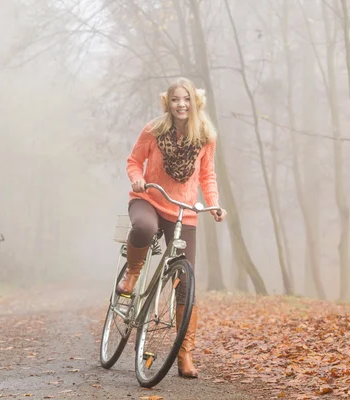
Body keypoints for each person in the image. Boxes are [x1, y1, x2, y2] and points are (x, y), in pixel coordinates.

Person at [117, 77, 227, 379]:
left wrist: (214, 203)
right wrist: (137, 178)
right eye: (176, 99)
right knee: (143, 227)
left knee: (186, 285)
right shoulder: (154, 131)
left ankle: (184, 355)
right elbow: (133, 161)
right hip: (149, 198)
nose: (182, 104)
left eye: (187, 99)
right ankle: (132, 272)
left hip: (184, 211)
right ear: (169, 102)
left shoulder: (205, 136)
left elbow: (207, 176)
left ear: (195, 102)